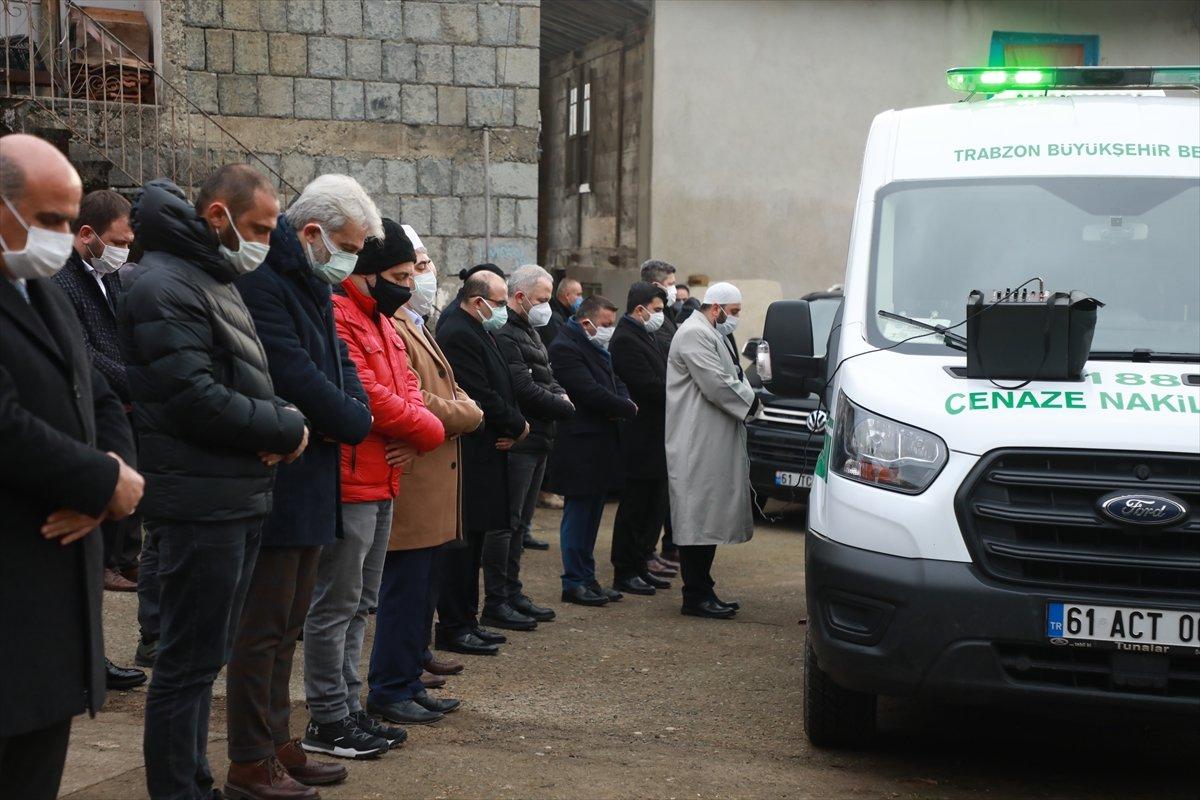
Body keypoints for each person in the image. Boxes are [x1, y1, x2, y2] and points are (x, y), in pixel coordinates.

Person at [122, 167, 310, 800]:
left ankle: (195, 782)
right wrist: (283, 427)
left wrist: (281, 417)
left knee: (206, 661)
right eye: (256, 227)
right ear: (217, 218)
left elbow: (244, 381)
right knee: (185, 664)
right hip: (200, 502)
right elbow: (192, 398)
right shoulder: (163, 284)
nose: (263, 241)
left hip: (232, 494)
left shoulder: (213, 277)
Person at [225, 175, 380, 797]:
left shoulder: (312, 279)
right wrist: (352, 418)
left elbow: (338, 363)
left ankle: (277, 738)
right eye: (346, 245)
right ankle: (247, 757)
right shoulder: (265, 280)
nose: (349, 260)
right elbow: (290, 370)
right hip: (281, 474)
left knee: (290, 621)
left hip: (315, 470)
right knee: (262, 627)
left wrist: (356, 411)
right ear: (312, 234)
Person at [0, 133, 144, 800]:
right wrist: (98, 480)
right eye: (51, 220)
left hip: (55, 614)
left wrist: (112, 476)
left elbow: (97, 393)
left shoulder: (43, 288)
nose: (62, 237)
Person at [322, 220, 449, 732]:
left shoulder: (382, 318)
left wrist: (418, 428)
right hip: (354, 476)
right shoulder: (341, 314)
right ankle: (334, 712)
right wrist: (431, 430)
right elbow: (372, 395)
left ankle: (353, 707)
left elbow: (409, 390)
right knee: (338, 606)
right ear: (368, 273)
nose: (409, 283)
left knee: (361, 606)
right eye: (399, 274)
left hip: (385, 476)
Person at [49, 187, 148, 691]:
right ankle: (86, 659)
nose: (123, 250)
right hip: (81, 429)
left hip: (111, 421)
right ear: (86, 235)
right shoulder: (62, 280)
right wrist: (140, 382)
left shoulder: (105, 279)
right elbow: (85, 356)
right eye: (117, 240)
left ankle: (91, 658)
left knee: (99, 555)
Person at [387, 224, 482, 686]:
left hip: (435, 466)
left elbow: (450, 384)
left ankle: (413, 659)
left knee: (424, 583)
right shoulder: (394, 324)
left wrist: (467, 406)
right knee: (406, 586)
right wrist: (468, 414)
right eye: (415, 268)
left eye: (424, 266)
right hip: (417, 466)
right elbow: (417, 398)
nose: (424, 276)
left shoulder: (418, 321)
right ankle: (397, 677)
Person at [435, 270, 529, 654]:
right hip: (470, 452)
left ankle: (467, 620)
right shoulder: (458, 331)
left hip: (487, 446)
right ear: (479, 301)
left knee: (473, 540)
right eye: (501, 302)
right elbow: (479, 393)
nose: (504, 310)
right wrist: (516, 424)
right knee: (462, 543)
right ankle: (455, 625)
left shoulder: (477, 327)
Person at [664, 282, 756, 620]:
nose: (735, 320)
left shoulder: (711, 332)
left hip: (710, 437)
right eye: (733, 313)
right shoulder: (694, 334)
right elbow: (716, 383)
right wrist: (754, 403)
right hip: (695, 440)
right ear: (715, 307)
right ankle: (696, 594)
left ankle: (704, 588)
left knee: (707, 517)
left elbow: (730, 374)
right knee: (697, 518)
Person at [494, 265, 575, 622]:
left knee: (522, 523)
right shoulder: (507, 333)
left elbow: (546, 375)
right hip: (522, 439)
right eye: (543, 299)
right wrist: (563, 405)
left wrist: (560, 395)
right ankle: (499, 599)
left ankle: (513, 591)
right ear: (521, 296)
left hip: (540, 437)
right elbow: (522, 388)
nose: (547, 307)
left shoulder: (530, 328)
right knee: (508, 523)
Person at [547, 295, 638, 606]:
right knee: (579, 515)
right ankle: (573, 581)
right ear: (586, 322)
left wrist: (624, 402)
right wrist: (625, 407)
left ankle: (588, 578)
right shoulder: (565, 348)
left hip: (601, 442)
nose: (609, 330)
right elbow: (588, 391)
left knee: (593, 515)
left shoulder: (595, 345)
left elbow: (617, 381)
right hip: (580, 444)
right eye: (606, 324)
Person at [608, 282, 672, 596]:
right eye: (657, 310)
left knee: (651, 506)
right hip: (640, 435)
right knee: (634, 508)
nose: (660, 316)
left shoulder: (644, 334)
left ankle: (641, 565)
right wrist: (676, 389)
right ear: (640, 309)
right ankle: (625, 570)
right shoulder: (625, 339)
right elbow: (647, 385)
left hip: (656, 435)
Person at [639, 259, 683, 572]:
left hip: (665, 419)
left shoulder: (665, 317)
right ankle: (643, 553)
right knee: (645, 500)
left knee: (659, 498)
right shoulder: (648, 324)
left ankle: (651, 551)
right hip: (649, 423)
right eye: (670, 284)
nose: (673, 290)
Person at [537, 276, 582, 348]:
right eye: (578, 294)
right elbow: (560, 347)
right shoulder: (552, 317)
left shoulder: (568, 313)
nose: (581, 298)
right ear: (567, 295)